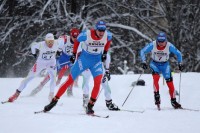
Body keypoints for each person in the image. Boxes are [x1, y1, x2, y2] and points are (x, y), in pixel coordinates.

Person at [43, 20, 112, 114]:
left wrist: (105, 52)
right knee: (69, 81)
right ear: (96, 29)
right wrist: (74, 54)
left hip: (96, 62)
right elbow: (77, 41)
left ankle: (90, 106)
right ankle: (53, 101)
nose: (101, 32)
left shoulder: (107, 35)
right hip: (84, 60)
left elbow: (108, 41)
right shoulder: (86, 34)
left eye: (103, 30)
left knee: (97, 83)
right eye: (99, 30)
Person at [7, 33, 64, 102]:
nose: (50, 43)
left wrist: (60, 50)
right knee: (29, 77)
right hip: (40, 63)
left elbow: (62, 40)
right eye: (48, 41)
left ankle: (51, 95)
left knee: (53, 77)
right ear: (45, 41)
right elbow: (33, 45)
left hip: (51, 62)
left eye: (51, 41)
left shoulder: (57, 42)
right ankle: (16, 94)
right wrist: (34, 53)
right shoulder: (41, 44)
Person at [29, 28, 80, 97]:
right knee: (51, 73)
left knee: (73, 73)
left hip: (71, 58)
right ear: (71, 35)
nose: (75, 39)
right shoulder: (65, 38)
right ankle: (39, 87)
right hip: (62, 58)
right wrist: (58, 50)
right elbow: (58, 42)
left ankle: (69, 90)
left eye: (77, 37)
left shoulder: (79, 40)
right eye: (74, 37)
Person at [140, 32, 184, 110]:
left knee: (170, 82)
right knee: (156, 78)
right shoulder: (153, 44)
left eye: (162, 41)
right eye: (159, 41)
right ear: (157, 40)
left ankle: (173, 101)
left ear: (165, 40)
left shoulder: (169, 45)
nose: (160, 43)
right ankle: (157, 97)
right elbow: (142, 51)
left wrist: (180, 63)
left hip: (165, 65)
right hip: (155, 64)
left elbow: (179, 53)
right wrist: (143, 61)